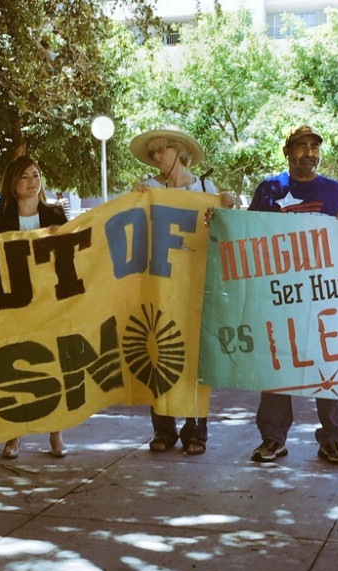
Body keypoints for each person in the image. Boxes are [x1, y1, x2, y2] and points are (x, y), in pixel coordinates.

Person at [247, 125, 338, 465]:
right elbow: (248, 235)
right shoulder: (270, 190)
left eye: (314, 146)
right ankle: (273, 439)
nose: (309, 152)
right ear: (287, 151)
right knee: (278, 363)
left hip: (323, 295)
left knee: (328, 364)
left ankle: (332, 440)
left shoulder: (334, 191)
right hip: (280, 294)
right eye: (301, 146)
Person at [129, 125, 218, 456]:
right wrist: (134, 202)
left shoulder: (207, 187)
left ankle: (196, 429)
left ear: (179, 151)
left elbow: (221, 228)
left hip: (196, 283)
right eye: (152, 153)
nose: (157, 157)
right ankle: (163, 428)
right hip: (160, 283)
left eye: (162, 150)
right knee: (159, 349)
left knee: (196, 354)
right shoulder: (147, 189)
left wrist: (223, 208)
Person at [0, 155, 68, 459]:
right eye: (25, 176)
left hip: (51, 304)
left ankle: (56, 434)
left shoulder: (56, 214)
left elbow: (75, 255)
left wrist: (61, 239)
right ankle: (13, 435)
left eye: (36, 174)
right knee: (15, 369)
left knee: (53, 366)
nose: (32, 181)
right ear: (12, 183)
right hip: (14, 304)